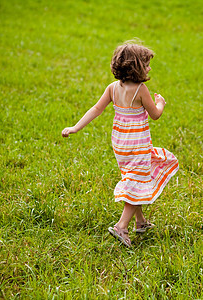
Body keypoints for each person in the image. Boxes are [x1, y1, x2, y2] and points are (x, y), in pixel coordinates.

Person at [61, 41, 179, 247]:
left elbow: (96, 109)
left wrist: (75, 127)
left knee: (136, 180)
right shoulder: (141, 90)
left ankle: (140, 222)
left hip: (120, 144)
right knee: (138, 181)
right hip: (137, 144)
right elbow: (155, 115)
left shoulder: (112, 88)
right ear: (137, 67)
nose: (150, 68)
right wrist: (161, 102)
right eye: (146, 64)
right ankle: (121, 226)